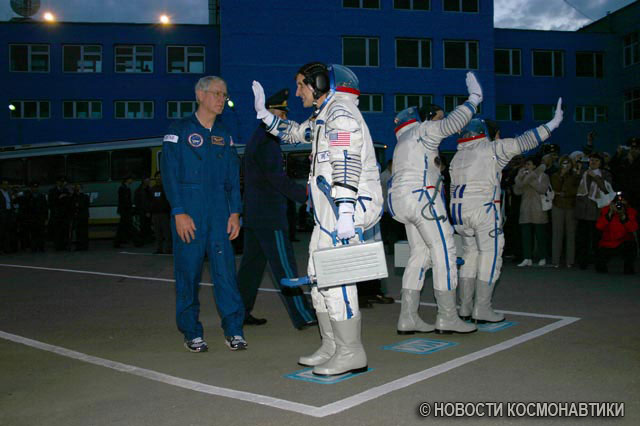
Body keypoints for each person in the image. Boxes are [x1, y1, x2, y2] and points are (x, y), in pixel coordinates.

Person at [252, 63, 383, 376]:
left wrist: (347, 211)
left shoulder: (340, 115)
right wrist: (265, 116)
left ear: (320, 83)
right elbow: (295, 133)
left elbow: (345, 159)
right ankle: (332, 345)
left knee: (336, 278)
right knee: (318, 275)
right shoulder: (323, 117)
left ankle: (351, 352)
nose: (298, 92)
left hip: (346, 207)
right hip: (331, 211)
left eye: (301, 85)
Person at [450, 98, 563, 323]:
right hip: (482, 210)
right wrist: (553, 123)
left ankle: (464, 307)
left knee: (470, 256)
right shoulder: (491, 149)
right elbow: (526, 140)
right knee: (490, 257)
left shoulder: (458, 154)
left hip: (459, 214)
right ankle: (482, 309)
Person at [388, 73, 482, 336]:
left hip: (403, 202)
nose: (439, 123)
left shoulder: (403, 141)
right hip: (423, 200)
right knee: (444, 251)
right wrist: (474, 99)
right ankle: (447, 316)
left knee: (419, 254)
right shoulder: (423, 130)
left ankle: (408, 317)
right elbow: (453, 123)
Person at [162, 75, 246, 352]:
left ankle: (234, 329)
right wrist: (179, 212)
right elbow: (170, 175)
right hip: (190, 214)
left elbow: (233, 178)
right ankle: (191, 331)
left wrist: (235, 212)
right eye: (216, 93)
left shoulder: (224, 136)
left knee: (226, 274)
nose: (222, 99)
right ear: (200, 95)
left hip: (220, 215)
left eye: (224, 94)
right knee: (188, 274)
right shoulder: (179, 131)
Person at [236, 87, 316, 329]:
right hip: (270, 215)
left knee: (251, 268)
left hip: (256, 215)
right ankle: (303, 315)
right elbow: (277, 179)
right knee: (285, 266)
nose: (284, 121)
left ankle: (238, 313)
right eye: (282, 115)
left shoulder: (258, 139)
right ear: (270, 113)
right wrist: (307, 196)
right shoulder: (267, 141)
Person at [575, 153, 613, 270]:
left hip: (597, 211)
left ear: (600, 163)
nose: (593, 162)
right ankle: (583, 261)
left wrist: (596, 177)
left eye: (596, 160)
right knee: (583, 238)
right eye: (591, 160)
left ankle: (599, 262)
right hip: (583, 210)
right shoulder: (583, 172)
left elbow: (606, 189)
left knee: (597, 238)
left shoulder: (605, 174)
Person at [513, 156, 550, 267]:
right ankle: (527, 257)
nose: (526, 166)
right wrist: (520, 178)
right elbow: (517, 191)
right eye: (526, 164)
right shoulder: (523, 176)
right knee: (526, 234)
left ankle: (542, 257)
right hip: (525, 207)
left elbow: (542, 189)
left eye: (529, 164)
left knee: (540, 235)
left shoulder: (543, 176)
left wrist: (530, 180)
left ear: (534, 165)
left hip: (539, 208)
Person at [595, 193, 637, 274]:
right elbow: (599, 226)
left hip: (623, 242)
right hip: (607, 242)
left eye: (621, 203)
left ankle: (628, 266)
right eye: (617, 203)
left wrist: (623, 216)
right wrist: (610, 213)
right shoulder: (606, 210)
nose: (619, 205)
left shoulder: (630, 211)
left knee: (631, 246)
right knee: (600, 267)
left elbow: (633, 228)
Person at [550, 155, 580, 267]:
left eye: (568, 163)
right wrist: (561, 176)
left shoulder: (575, 176)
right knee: (557, 233)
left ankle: (570, 261)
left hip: (571, 206)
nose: (566, 165)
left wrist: (565, 193)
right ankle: (555, 260)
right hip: (557, 205)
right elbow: (554, 188)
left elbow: (577, 190)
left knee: (571, 234)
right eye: (564, 163)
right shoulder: (555, 175)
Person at [150, 171, 172, 254]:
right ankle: (159, 249)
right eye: (157, 176)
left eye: (160, 176)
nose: (158, 178)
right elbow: (150, 200)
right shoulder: (152, 189)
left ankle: (168, 249)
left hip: (164, 214)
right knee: (157, 232)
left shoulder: (166, 188)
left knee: (167, 232)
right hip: (155, 214)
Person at [113, 177, 133, 248]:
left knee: (122, 226)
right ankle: (118, 242)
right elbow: (125, 200)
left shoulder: (123, 188)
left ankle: (118, 242)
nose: (132, 180)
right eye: (131, 179)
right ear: (127, 180)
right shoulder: (125, 189)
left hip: (124, 210)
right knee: (126, 226)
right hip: (125, 210)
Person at [29, 182, 48, 252]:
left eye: (36, 187)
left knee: (41, 232)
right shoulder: (28, 196)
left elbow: (45, 207)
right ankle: (34, 247)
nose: (35, 189)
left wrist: (46, 218)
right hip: (32, 217)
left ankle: (41, 247)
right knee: (33, 233)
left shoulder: (41, 196)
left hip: (40, 217)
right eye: (33, 187)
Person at [71, 184, 90, 251]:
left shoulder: (84, 196)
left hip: (82, 216)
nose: (77, 189)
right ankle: (80, 246)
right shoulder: (75, 196)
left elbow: (82, 205)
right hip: (80, 216)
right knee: (79, 232)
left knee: (82, 232)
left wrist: (77, 205)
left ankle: (83, 246)